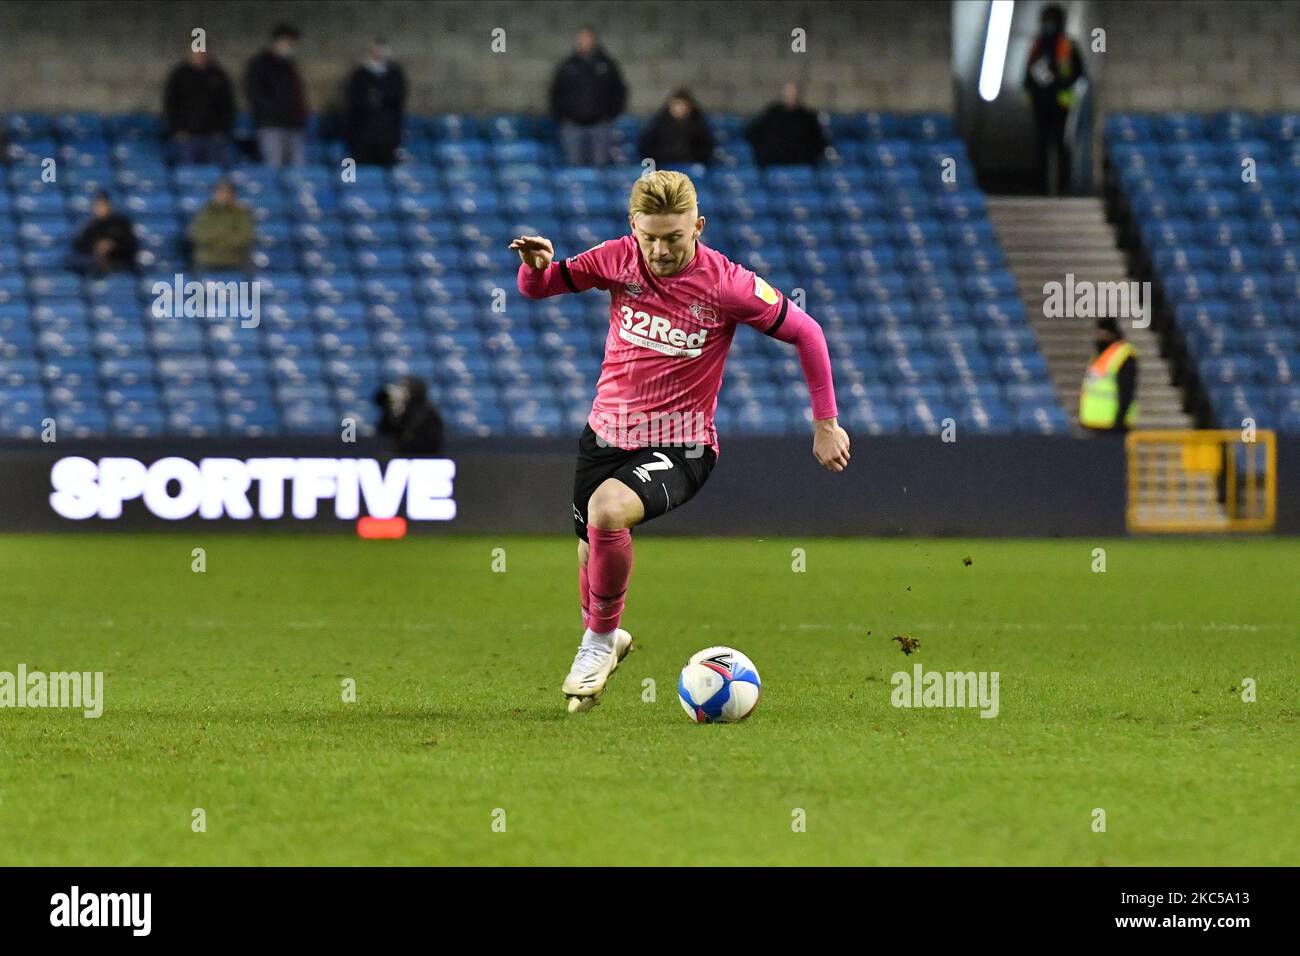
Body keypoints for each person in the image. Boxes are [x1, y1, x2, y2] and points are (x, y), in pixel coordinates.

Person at [509, 170, 850, 713]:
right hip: (604, 435)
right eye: (650, 238)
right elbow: (538, 289)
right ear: (633, 227)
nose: (661, 250)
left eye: (674, 237)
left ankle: (596, 641)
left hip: (682, 444)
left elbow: (807, 332)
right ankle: (609, 637)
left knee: (606, 512)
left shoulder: (727, 283)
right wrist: (534, 270)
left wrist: (825, 422)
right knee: (589, 545)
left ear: (699, 226)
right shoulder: (617, 257)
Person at [1023, 3, 1087, 195]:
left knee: (1061, 146)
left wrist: (1064, 88)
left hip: (1061, 105)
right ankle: (1041, 188)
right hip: (1041, 104)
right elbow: (1027, 75)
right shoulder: (1037, 45)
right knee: (1041, 146)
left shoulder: (1068, 45)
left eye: (1052, 20)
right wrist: (1031, 94)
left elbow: (1079, 73)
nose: (1049, 24)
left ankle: (1063, 188)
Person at [549, 26, 627, 167]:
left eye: (587, 38)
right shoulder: (567, 65)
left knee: (600, 166)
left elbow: (619, 91)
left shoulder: (607, 65)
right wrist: (562, 116)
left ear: (593, 40)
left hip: (600, 125)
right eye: (581, 38)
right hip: (572, 125)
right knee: (574, 167)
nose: (584, 41)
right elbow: (555, 92)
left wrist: (610, 115)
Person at [245, 23, 308, 168]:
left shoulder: (290, 65)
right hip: (271, 125)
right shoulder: (259, 63)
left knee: (299, 171)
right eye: (288, 42)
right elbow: (255, 93)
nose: (291, 47)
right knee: (274, 167)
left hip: (294, 125)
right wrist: (274, 111)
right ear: (278, 41)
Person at [163, 47, 236, 165]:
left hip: (213, 136)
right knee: (189, 173)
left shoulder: (218, 74)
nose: (199, 55)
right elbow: (171, 105)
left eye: (202, 52)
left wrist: (222, 129)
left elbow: (227, 105)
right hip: (187, 136)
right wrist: (177, 129)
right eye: (195, 52)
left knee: (213, 172)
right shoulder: (179, 75)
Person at [343, 38, 407, 167]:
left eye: (382, 50)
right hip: (363, 133)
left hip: (388, 133)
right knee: (363, 172)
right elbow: (354, 102)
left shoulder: (395, 73)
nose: (379, 53)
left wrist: (381, 96)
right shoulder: (359, 75)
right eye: (376, 50)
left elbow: (398, 98)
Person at [744, 81, 829, 167]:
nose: (792, 96)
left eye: (794, 93)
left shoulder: (808, 117)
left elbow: (818, 140)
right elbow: (753, 133)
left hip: (801, 161)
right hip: (773, 160)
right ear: (784, 94)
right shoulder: (772, 113)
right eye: (789, 93)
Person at [1079, 318, 1138, 434]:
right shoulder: (1100, 356)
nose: (1098, 336)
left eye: (1102, 332)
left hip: (1113, 425)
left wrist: (1119, 421)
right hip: (1093, 423)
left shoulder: (1123, 355)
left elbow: (1126, 391)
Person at [186, 178, 255, 271]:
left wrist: (216, 240)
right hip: (207, 261)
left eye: (227, 193)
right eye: (220, 192)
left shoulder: (242, 214)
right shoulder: (204, 213)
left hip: (235, 260)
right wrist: (226, 236)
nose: (224, 196)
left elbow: (244, 237)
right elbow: (199, 235)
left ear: (233, 195)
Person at [637, 89, 715, 167]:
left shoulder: (699, 125)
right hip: (662, 165)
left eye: (683, 105)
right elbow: (645, 146)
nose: (680, 109)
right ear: (670, 106)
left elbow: (706, 149)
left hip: (690, 165)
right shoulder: (657, 124)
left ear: (690, 107)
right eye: (677, 105)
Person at [67, 191, 138, 276]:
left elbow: (131, 245)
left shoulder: (121, 223)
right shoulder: (90, 227)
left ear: (109, 205)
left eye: (102, 205)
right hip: (97, 267)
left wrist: (112, 246)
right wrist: (96, 247)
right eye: (96, 205)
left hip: (120, 265)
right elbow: (79, 246)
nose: (99, 208)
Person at [374, 376, 444, 454]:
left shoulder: (429, 414)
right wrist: (392, 413)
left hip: (422, 458)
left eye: (404, 387)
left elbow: (428, 441)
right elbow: (383, 434)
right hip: (399, 459)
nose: (401, 391)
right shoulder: (395, 411)